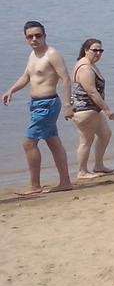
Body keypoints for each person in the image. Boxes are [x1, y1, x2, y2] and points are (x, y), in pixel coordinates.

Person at [3, 21, 73, 196]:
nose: (34, 39)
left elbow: (66, 79)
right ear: (26, 38)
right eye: (30, 36)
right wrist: (11, 90)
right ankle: (65, 182)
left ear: (44, 36)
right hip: (36, 105)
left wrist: (67, 105)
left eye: (38, 35)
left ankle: (35, 186)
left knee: (29, 143)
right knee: (53, 142)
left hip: (48, 104)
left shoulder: (52, 54)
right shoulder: (33, 55)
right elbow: (27, 76)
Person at [70, 39, 114, 179]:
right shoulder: (85, 68)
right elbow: (91, 92)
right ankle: (82, 171)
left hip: (93, 110)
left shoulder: (91, 65)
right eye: (94, 50)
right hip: (84, 110)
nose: (98, 53)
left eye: (100, 51)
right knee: (86, 140)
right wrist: (107, 110)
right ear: (85, 50)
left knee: (105, 134)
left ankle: (98, 165)